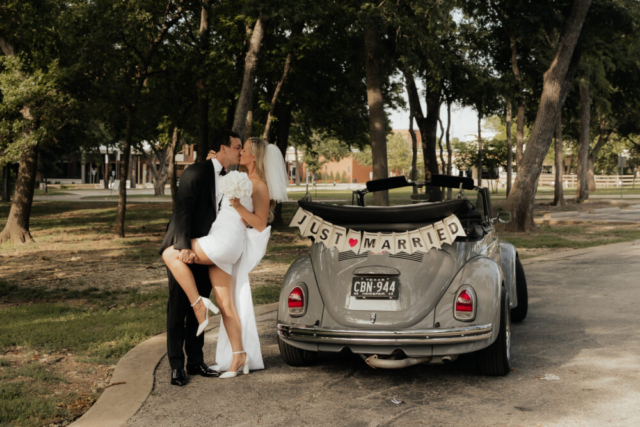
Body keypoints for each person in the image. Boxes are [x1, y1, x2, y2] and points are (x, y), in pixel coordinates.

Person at [162, 137, 289, 379]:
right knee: (226, 304)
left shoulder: (258, 185)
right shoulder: (236, 177)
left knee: (170, 253)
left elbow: (261, 224)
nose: (241, 153)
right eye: (239, 148)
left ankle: (199, 306)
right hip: (223, 243)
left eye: (245, 150)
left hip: (225, 242)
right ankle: (239, 355)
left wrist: (239, 207)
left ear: (255, 157)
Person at [159, 130, 242, 386]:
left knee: (202, 304)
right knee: (178, 308)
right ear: (223, 148)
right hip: (186, 247)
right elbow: (182, 209)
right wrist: (182, 246)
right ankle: (176, 365)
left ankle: (195, 361)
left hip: (210, 250)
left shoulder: (233, 178)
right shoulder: (195, 172)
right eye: (237, 147)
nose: (240, 151)